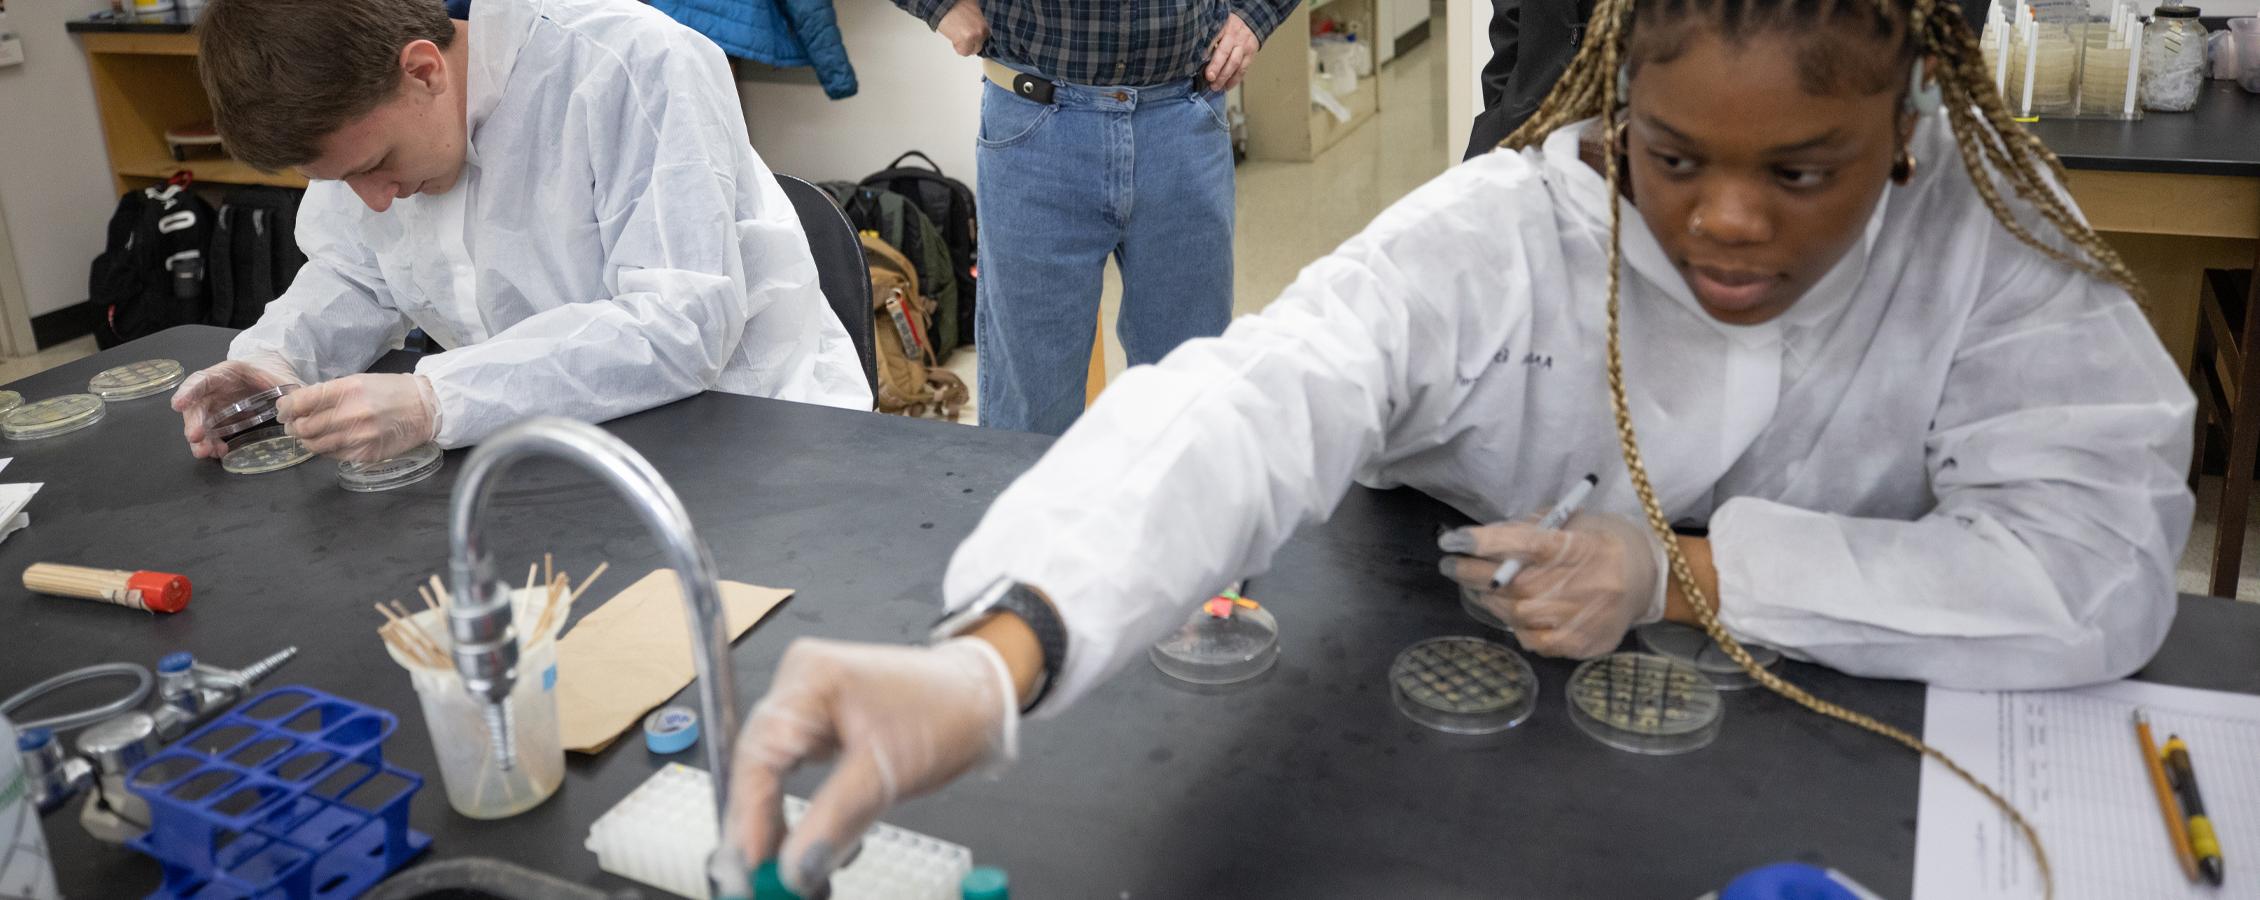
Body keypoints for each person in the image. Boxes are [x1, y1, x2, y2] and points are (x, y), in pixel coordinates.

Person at [725, 0, 2195, 891]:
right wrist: (1001, 655)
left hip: (1831, 769)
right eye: (1675, 159)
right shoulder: (1513, 231)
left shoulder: (1988, 241)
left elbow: (2098, 561)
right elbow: (1256, 398)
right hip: (1428, 733)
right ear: (1619, 110)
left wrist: (1685, 574)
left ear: (1911, 131)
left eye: (1806, 173)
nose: (1732, 221)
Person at [173, 0, 870, 464]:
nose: (373, 202)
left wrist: (435, 398)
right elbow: (355, 270)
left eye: (376, 166)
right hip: (536, 443)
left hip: (742, 442)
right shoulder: (374, 127)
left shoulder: (631, 65)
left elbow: (678, 329)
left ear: (422, 69)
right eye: (342, 181)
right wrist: (271, 360)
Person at [885, 0, 1300, 436]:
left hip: (1183, 121)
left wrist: (1257, 15)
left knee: (1188, 398)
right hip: (1036, 128)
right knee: (1032, 410)